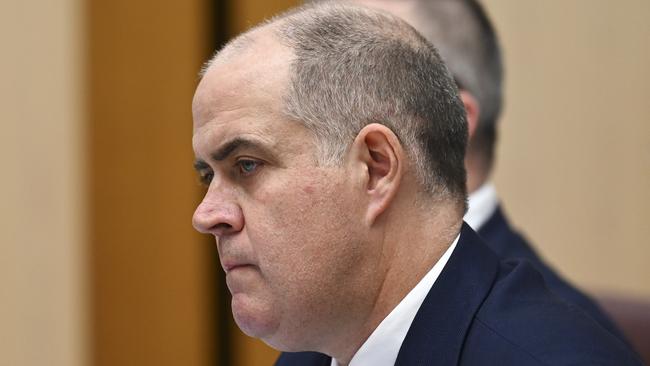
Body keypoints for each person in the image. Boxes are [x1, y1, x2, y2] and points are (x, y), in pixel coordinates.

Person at [191, 3, 640, 365]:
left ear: (376, 168)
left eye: (246, 165)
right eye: (208, 175)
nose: (206, 215)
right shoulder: (309, 355)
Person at [328, 0, 630, 342]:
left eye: (348, 81)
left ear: (450, 120)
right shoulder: (319, 317)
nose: (313, 110)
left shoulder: (555, 344)